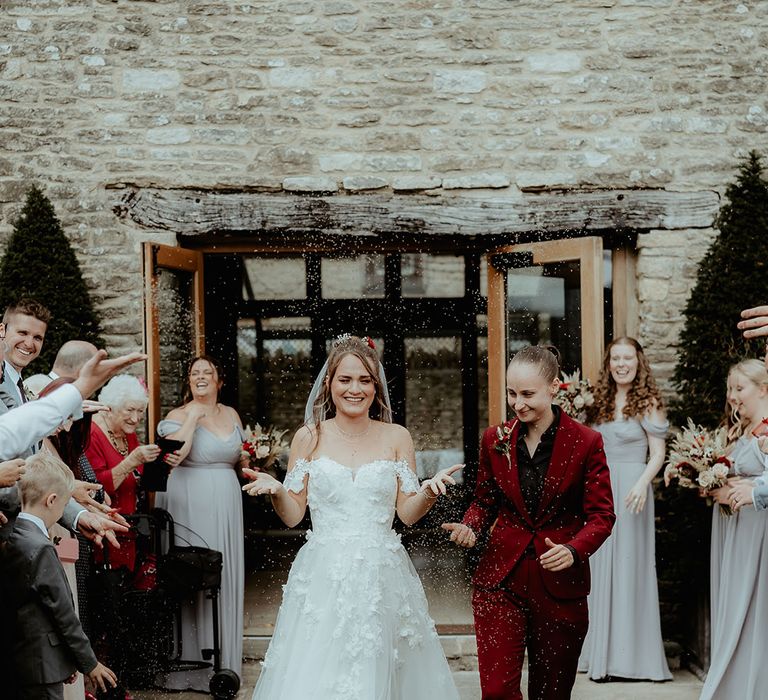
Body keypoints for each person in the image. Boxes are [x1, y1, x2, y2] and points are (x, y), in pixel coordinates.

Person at [243, 335, 462, 699]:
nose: (355, 389)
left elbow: (406, 514)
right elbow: (294, 516)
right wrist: (280, 491)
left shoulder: (397, 437)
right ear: (329, 383)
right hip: (323, 577)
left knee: (383, 671)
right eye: (345, 379)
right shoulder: (308, 437)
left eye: (365, 380)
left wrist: (426, 493)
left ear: (376, 387)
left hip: (383, 577)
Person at [442, 345, 615, 700]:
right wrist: (471, 526)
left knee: (550, 693)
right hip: (499, 581)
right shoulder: (495, 439)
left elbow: (601, 515)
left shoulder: (586, 443)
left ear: (553, 388)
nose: (517, 404)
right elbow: (484, 501)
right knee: (496, 692)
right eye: (511, 393)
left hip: (560, 587)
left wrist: (573, 549)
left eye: (527, 394)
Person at [577, 338, 672, 682]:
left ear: (638, 361)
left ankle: (632, 660)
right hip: (601, 488)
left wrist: (643, 483)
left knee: (631, 568)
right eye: (615, 358)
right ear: (609, 363)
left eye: (627, 358)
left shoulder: (648, 402)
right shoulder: (597, 401)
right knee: (600, 568)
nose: (621, 364)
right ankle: (598, 655)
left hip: (633, 492)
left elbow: (658, 452)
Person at [155, 355, 246, 690]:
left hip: (227, 500)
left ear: (219, 380)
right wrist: (193, 415)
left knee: (224, 575)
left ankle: (224, 663)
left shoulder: (231, 414)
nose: (202, 377)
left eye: (209, 372)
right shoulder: (177, 416)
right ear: (188, 381)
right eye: (195, 373)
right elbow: (176, 455)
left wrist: (251, 463)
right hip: (190, 500)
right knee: (196, 575)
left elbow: (237, 456)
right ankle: (191, 668)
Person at [0, 451, 117, 700]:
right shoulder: (40, 547)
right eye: (65, 505)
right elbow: (62, 613)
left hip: (22, 661)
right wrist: (90, 664)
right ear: (52, 500)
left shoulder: (11, 535)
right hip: (42, 668)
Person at [698, 359, 768, 699]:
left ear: (764, 389)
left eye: (740, 388)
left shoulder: (767, 431)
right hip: (736, 530)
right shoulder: (741, 429)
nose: (733, 396)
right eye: (730, 389)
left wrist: (746, 490)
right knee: (735, 602)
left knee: (752, 603)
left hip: (759, 532)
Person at [86, 374, 160, 572]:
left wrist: (161, 463)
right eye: (129, 410)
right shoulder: (93, 433)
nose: (135, 418)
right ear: (111, 407)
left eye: (140, 411)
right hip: (107, 531)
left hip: (130, 528)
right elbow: (98, 488)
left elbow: (140, 477)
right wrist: (133, 460)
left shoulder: (127, 432)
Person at [0, 298, 50, 408]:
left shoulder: (19, 385)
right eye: (22, 333)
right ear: (2, 331)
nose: (29, 344)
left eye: (37, 338)